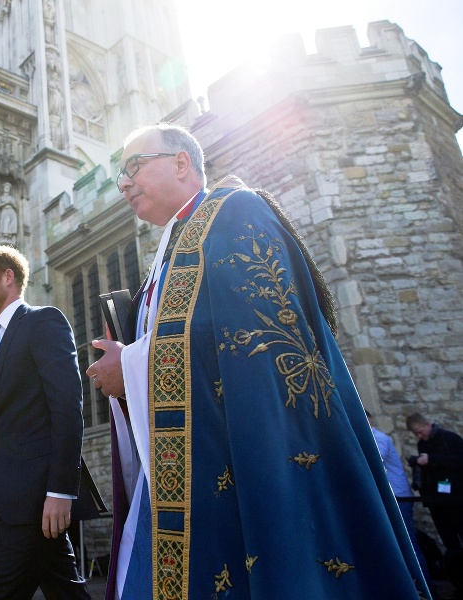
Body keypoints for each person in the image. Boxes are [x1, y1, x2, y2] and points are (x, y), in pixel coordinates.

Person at [86, 122, 430, 599]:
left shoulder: (233, 212)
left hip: (247, 462)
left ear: (181, 163)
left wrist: (133, 365)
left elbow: (259, 340)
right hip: (189, 466)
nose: (123, 183)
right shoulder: (168, 251)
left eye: (132, 167)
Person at [0, 244, 89, 599]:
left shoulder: (42, 320)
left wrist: (61, 491)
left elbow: (68, 406)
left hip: (37, 497)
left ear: (8, 277)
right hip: (11, 496)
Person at [367, 411, 431, 588]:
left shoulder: (378, 438)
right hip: (390, 498)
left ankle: (423, 586)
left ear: (368, 420)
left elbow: (375, 462)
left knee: (408, 542)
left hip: (398, 498)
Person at [407, 412, 463, 592]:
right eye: (416, 434)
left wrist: (432, 459)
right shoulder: (422, 445)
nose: (419, 436)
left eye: (419, 431)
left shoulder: (449, 438)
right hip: (437, 500)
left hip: (456, 498)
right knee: (450, 541)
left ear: (426, 424)